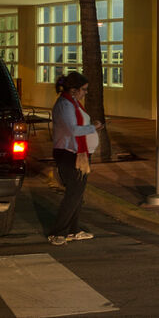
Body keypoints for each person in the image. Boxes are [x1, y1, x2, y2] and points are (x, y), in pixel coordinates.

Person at [48, 72, 102, 245]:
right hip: (69, 154)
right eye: (83, 90)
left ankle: (73, 230)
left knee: (77, 194)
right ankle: (57, 232)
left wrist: (92, 129)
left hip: (79, 154)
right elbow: (74, 130)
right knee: (73, 194)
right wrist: (92, 127)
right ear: (73, 90)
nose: (85, 93)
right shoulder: (65, 105)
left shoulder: (73, 103)